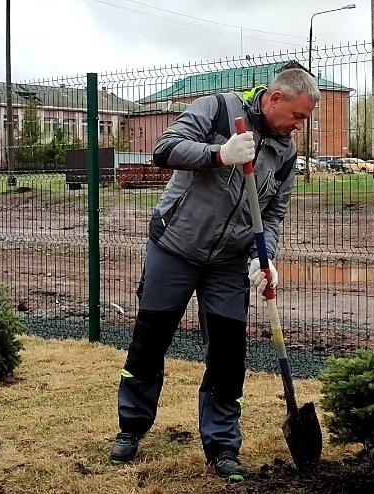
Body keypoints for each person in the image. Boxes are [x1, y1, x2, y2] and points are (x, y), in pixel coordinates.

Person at [109, 67, 320, 482]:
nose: (299, 126)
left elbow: (273, 214)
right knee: (150, 341)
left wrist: (264, 257)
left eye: (304, 119)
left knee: (228, 354)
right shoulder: (218, 109)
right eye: (297, 116)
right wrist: (219, 154)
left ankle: (222, 445)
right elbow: (165, 149)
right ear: (275, 98)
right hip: (175, 246)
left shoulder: (286, 153)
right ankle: (131, 427)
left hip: (228, 263)